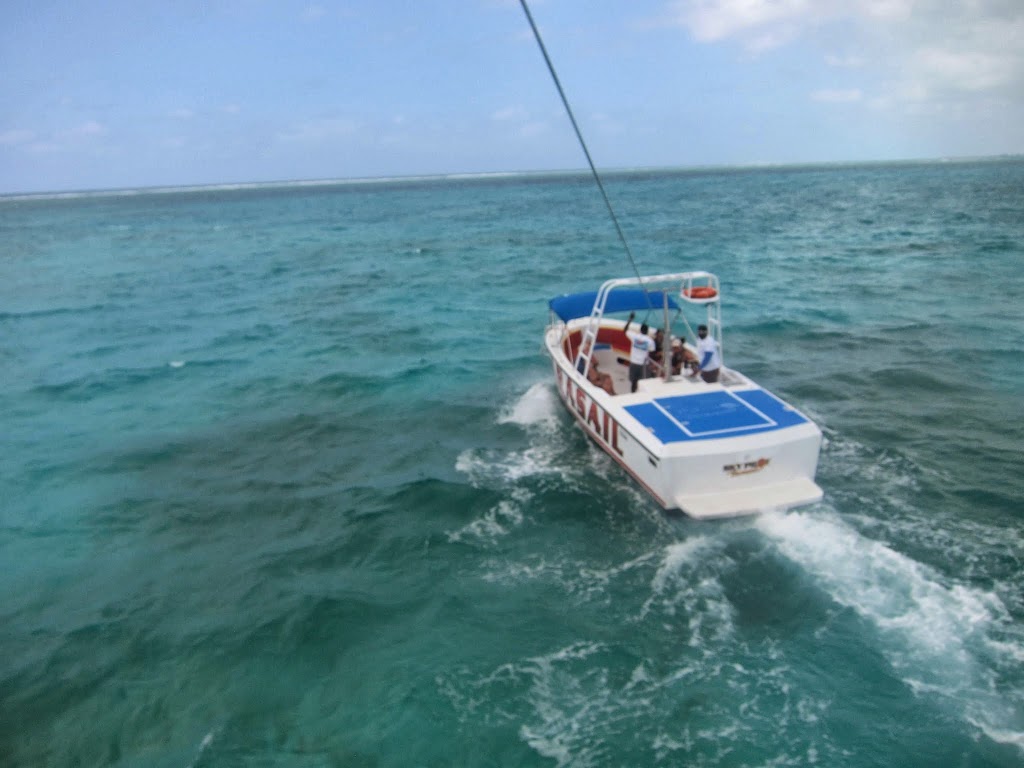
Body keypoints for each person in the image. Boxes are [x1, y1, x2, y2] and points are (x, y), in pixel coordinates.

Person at [623, 311, 656, 393]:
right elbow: (652, 350)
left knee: (633, 381)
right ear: (647, 331)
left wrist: (630, 319)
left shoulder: (634, 336)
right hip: (643, 364)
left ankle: (633, 393)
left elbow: (625, 330)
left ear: (640, 330)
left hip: (634, 362)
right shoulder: (650, 340)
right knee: (643, 382)